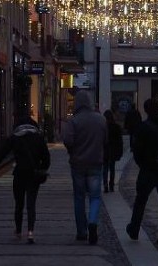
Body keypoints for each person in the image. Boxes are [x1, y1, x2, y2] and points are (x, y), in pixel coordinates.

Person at [0, 116, 50, 244]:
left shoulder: (15, 137)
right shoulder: (39, 138)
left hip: (19, 174)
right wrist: (41, 168)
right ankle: (30, 232)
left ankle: (18, 231)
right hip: (34, 175)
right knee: (31, 204)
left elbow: (2, 152)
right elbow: (47, 159)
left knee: (19, 204)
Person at [126, 98, 158, 245]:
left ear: (146, 110)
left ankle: (134, 228)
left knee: (140, 200)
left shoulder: (143, 127)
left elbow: (137, 151)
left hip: (149, 169)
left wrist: (143, 164)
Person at [62, 90, 107, 245]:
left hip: (78, 164)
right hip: (96, 163)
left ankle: (81, 231)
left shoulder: (74, 121)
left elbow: (67, 140)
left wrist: (73, 151)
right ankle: (93, 222)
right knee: (95, 197)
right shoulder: (101, 120)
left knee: (79, 197)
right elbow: (105, 140)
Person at [103, 109, 124, 193]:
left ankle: (105, 185)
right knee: (112, 168)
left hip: (105, 150)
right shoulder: (116, 127)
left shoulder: (103, 127)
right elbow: (120, 141)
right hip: (113, 151)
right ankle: (111, 185)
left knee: (105, 168)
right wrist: (120, 152)